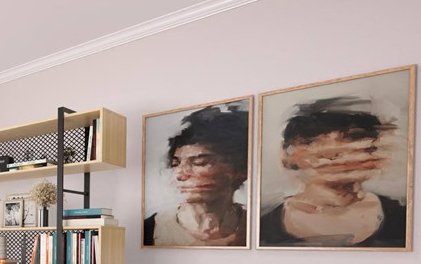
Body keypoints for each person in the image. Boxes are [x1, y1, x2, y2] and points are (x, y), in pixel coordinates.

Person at [259, 97, 406, 248]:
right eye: (311, 140)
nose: (333, 151)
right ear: (287, 155)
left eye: (353, 137)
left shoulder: (404, 217)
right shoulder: (261, 224)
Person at [144, 105, 249, 246]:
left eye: (199, 163)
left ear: (241, 170)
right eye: (176, 164)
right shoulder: (150, 229)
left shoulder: (259, 225)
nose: (180, 174)